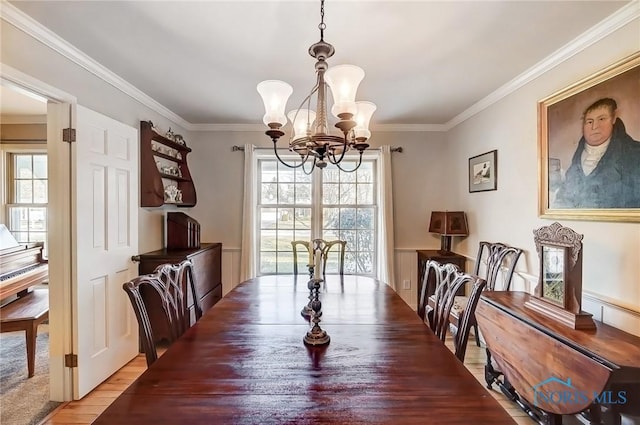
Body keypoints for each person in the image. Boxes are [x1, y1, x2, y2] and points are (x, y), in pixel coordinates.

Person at [553, 98, 640, 209]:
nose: (594, 127)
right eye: (589, 122)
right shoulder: (577, 159)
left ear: (613, 120)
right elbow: (565, 198)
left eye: (602, 119)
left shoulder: (635, 153)